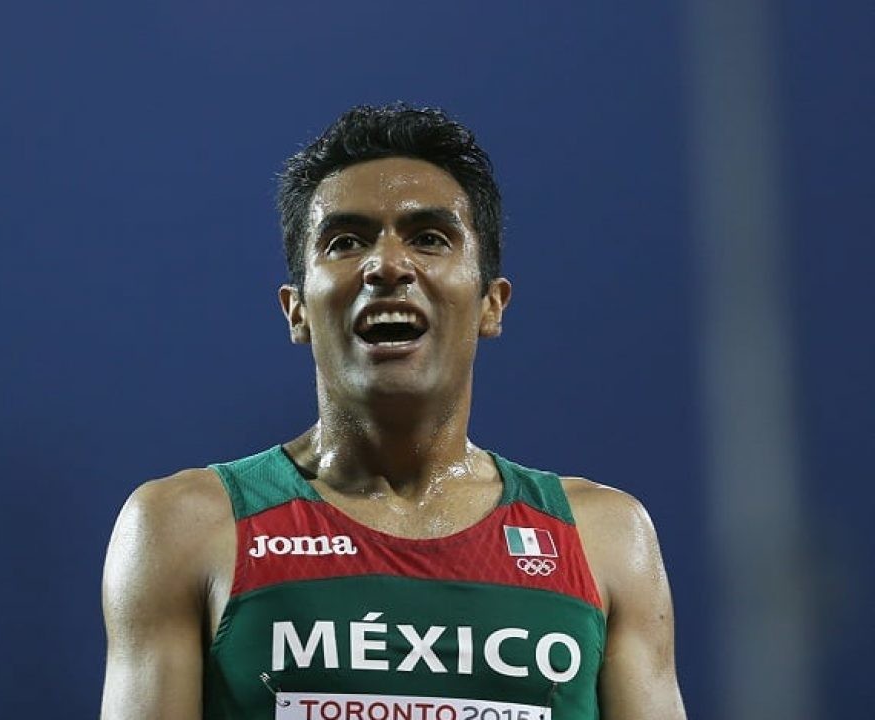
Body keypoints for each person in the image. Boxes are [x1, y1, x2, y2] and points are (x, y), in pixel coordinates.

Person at [100, 104, 685, 720]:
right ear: (297, 310)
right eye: (346, 242)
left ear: (491, 303)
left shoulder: (603, 539)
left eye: (429, 238)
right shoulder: (185, 529)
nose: (386, 265)